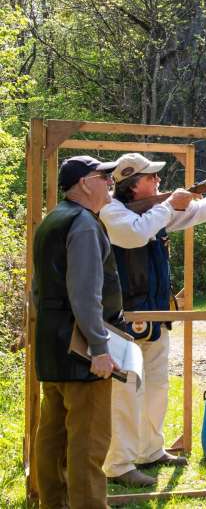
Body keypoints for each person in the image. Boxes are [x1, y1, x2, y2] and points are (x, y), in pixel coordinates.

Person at [99, 152, 206, 487]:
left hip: (156, 316)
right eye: (150, 177)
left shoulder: (157, 213)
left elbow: (203, 211)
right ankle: (118, 464)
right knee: (126, 394)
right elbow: (133, 235)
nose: (158, 181)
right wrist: (170, 204)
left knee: (156, 387)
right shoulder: (111, 211)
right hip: (119, 318)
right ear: (131, 185)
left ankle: (149, 450)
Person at [33, 155, 122, 509]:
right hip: (80, 350)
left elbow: (38, 291)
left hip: (53, 345)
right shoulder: (84, 223)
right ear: (85, 183)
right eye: (104, 175)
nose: (110, 181)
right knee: (87, 447)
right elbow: (85, 293)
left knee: (51, 440)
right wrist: (99, 348)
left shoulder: (52, 219)